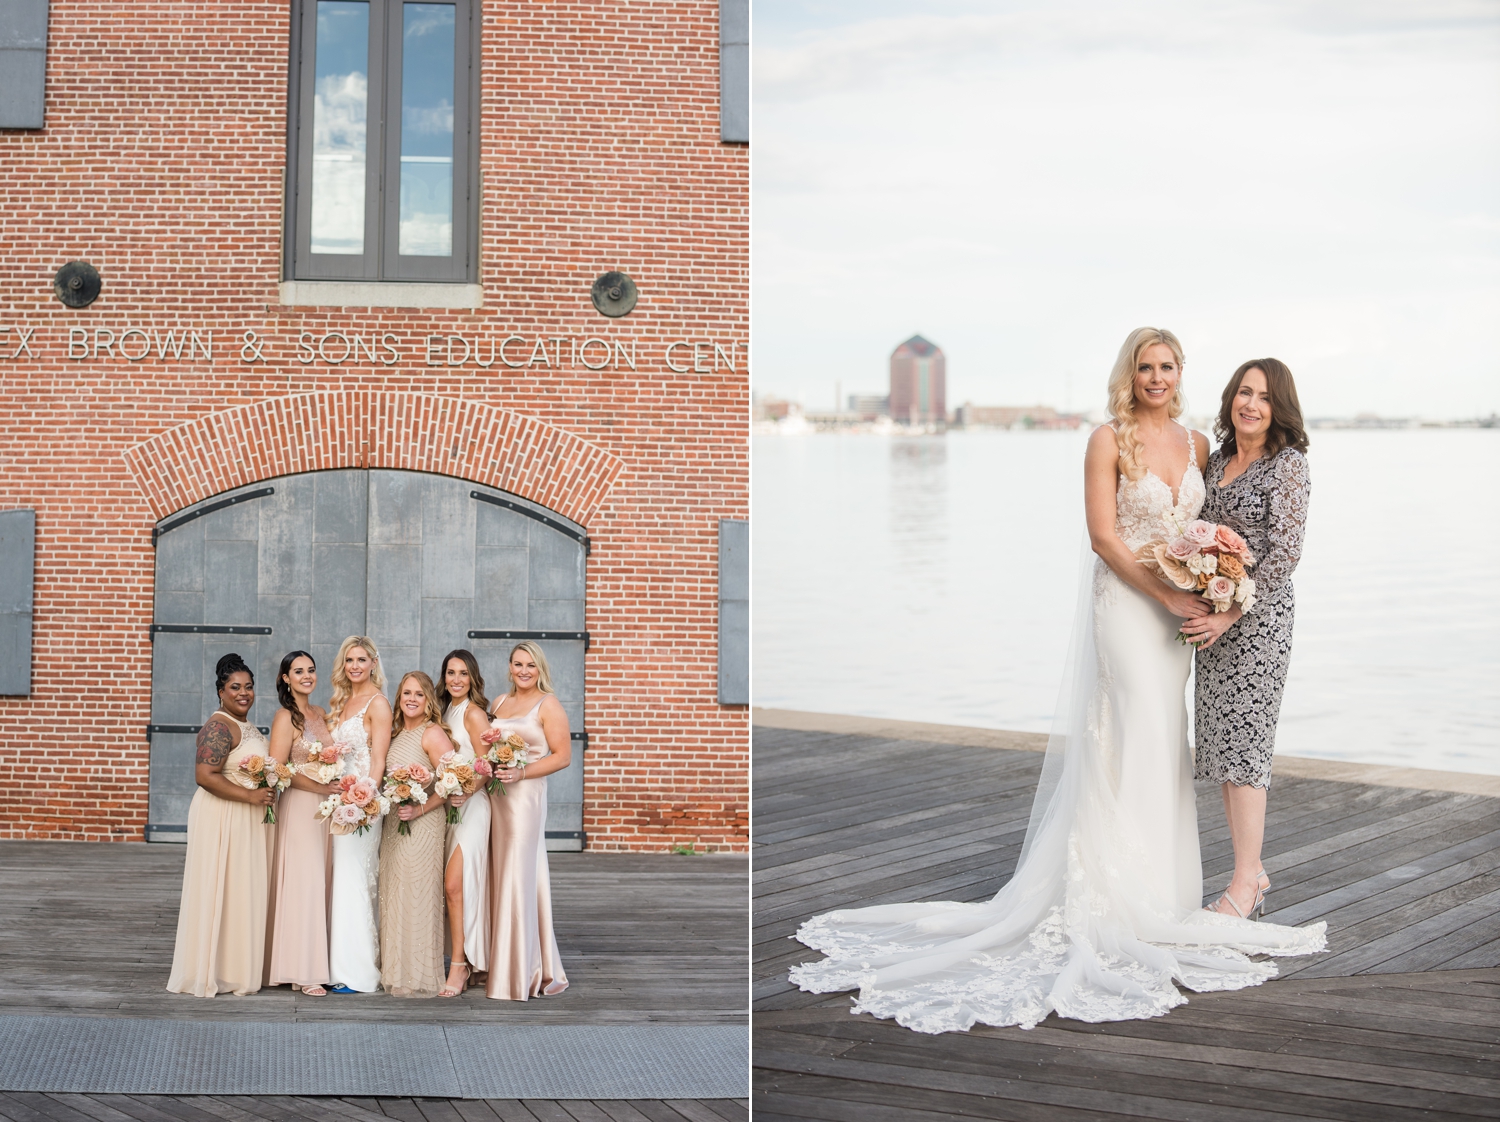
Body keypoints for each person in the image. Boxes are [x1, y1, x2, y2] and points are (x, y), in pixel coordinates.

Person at [789, 327, 1325, 1033]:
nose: (1156, 378)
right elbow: (1104, 536)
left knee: (1164, 739)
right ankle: (1114, 893)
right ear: (1129, 374)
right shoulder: (1108, 439)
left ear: (1182, 372)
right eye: (1145, 368)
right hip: (1130, 607)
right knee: (1131, 727)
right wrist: (1166, 594)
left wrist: (1208, 580)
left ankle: (1161, 892)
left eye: (1166, 367)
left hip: (1178, 621)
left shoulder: (1201, 447)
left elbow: (1213, 531)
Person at [1181, 359, 1310, 920]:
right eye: (1242, 392)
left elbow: (1284, 556)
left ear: (1279, 406)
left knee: (1248, 749)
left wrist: (1230, 614)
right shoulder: (1216, 462)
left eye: (1261, 395)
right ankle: (1250, 870)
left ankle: (1243, 885)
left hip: (1257, 623)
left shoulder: (1289, 466)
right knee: (1222, 750)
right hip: (1216, 619)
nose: (1249, 404)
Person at [166, 653, 275, 997]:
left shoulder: (242, 723)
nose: (243, 693)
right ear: (220, 691)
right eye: (235, 687)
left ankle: (235, 966)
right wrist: (251, 798)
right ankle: (216, 970)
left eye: (248, 687)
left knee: (237, 891)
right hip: (223, 816)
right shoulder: (219, 725)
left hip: (242, 815)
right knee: (221, 888)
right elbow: (204, 775)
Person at [485, 641, 570, 1000]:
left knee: (519, 873)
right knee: (499, 872)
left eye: (530, 665)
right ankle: (497, 959)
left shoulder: (548, 704)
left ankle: (520, 971)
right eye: (518, 664)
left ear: (540, 669)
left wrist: (523, 773)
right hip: (496, 797)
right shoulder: (499, 704)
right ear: (509, 667)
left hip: (525, 800)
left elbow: (562, 756)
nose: (523, 671)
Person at [265, 650, 337, 995]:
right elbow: (280, 769)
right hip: (301, 806)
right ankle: (303, 971)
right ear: (286, 678)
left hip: (326, 808)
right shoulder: (285, 717)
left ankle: (316, 961)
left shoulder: (319, 713)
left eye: (310, 669)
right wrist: (322, 785)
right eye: (298, 671)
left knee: (320, 883)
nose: (306, 675)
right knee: (304, 883)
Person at [378, 671, 454, 997]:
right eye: (406, 693)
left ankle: (419, 976)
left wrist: (420, 809)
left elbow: (451, 783)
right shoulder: (393, 734)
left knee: (419, 893)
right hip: (395, 823)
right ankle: (395, 971)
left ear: (428, 701)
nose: (411, 699)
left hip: (424, 822)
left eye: (419, 694)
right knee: (394, 892)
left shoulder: (432, 733)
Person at [325, 635, 392, 994]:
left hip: (363, 805)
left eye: (361, 660)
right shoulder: (343, 701)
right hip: (339, 801)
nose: (354, 666)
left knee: (355, 880)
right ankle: (342, 965)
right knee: (344, 880)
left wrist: (367, 802)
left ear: (373, 663)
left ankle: (358, 973)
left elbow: (379, 758)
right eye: (349, 660)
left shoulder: (378, 704)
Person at [437, 649, 492, 997]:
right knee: (456, 888)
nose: (456, 679)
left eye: (463, 673)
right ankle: (470, 958)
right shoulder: (443, 712)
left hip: (472, 807)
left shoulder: (473, 714)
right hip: (449, 807)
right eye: (450, 672)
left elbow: (486, 765)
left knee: (455, 885)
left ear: (472, 678)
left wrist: (467, 791)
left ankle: (458, 965)